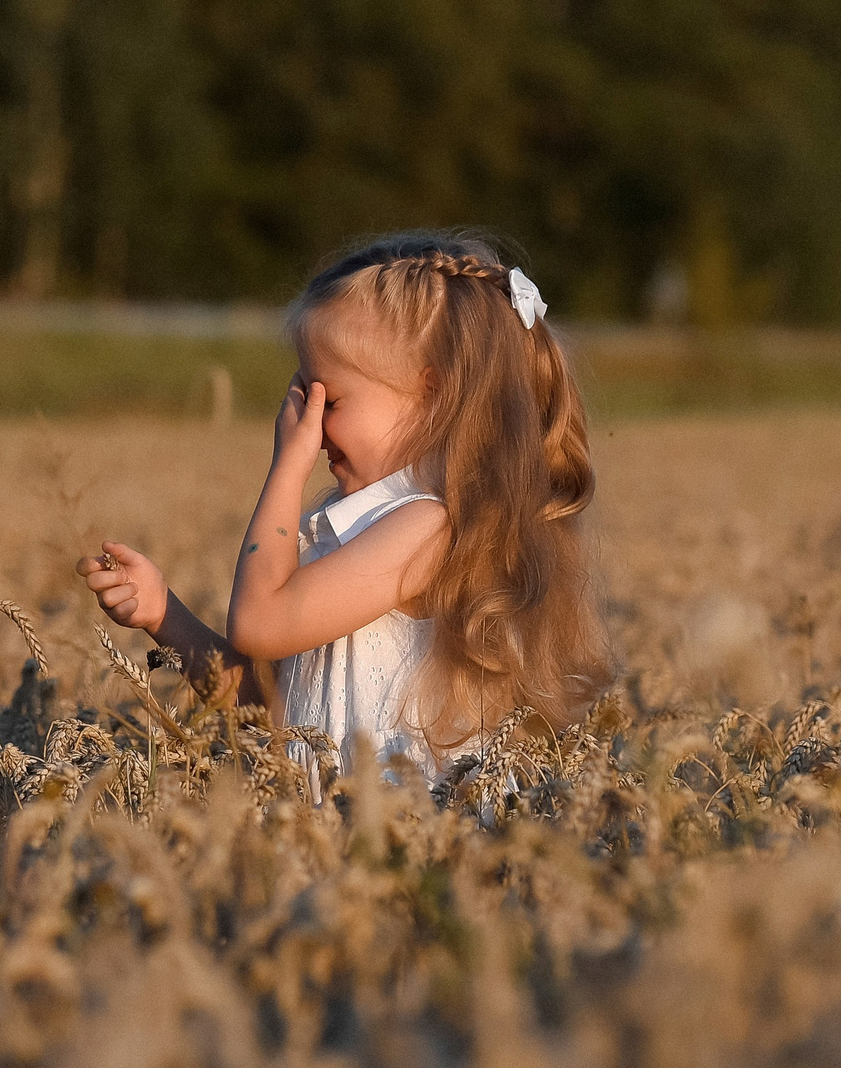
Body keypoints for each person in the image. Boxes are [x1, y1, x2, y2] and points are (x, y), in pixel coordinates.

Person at [77, 231, 612, 792]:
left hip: (402, 833)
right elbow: (267, 704)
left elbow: (258, 624)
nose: (305, 419)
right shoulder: (357, 528)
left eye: (326, 399)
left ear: (432, 398)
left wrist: (287, 465)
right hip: (333, 833)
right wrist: (165, 614)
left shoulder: (427, 530)